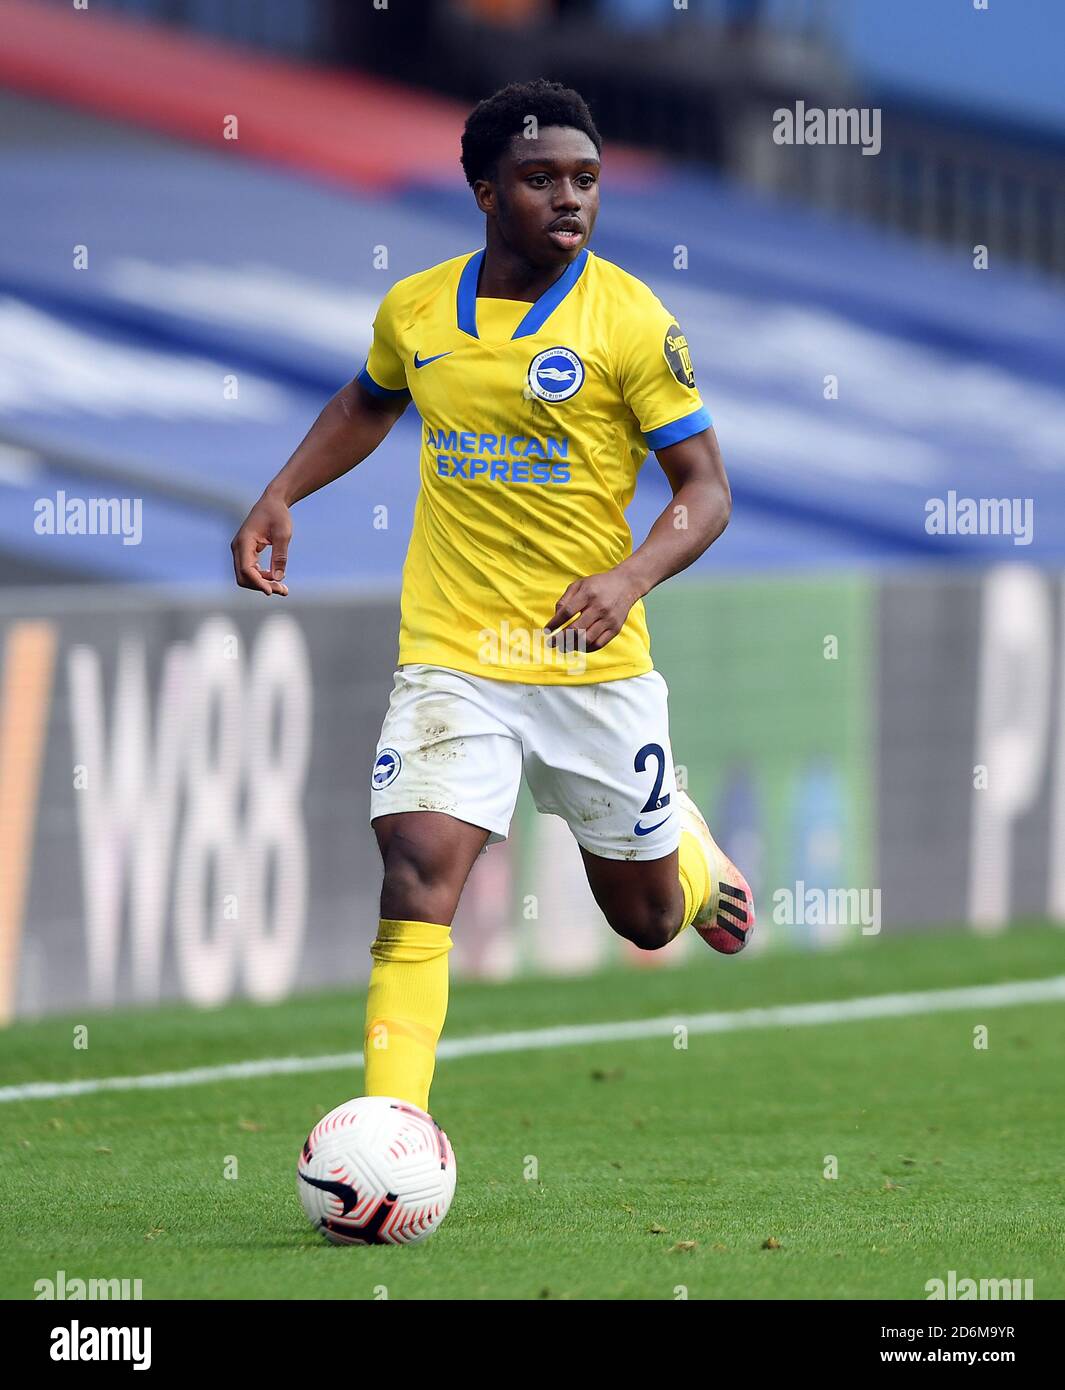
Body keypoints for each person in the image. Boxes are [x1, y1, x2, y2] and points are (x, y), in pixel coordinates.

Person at [231, 80, 754, 1114]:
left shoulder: (633, 324)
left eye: (587, 181)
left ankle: (689, 859)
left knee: (646, 920)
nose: (570, 200)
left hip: (586, 658)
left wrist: (628, 576)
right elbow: (368, 398)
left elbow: (708, 490)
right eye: (541, 180)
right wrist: (281, 492)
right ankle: (391, 1123)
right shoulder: (419, 306)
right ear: (483, 192)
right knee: (418, 864)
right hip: (454, 650)